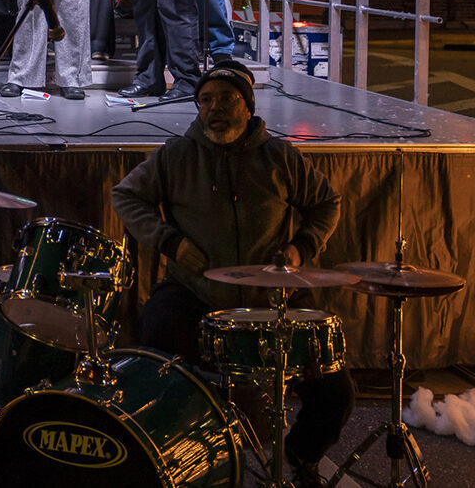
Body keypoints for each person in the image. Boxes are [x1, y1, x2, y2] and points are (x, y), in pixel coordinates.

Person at [111, 61, 354, 488]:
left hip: (272, 295)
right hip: (195, 291)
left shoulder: (280, 156)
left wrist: (301, 248)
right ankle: (175, 454)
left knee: (334, 389)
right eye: (205, 100)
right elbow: (126, 196)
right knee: (154, 334)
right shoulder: (176, 155)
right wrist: (170, 242)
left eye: (226, 98)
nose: (214, 108)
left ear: (248, 106)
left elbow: (327, 203)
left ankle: (299, 457)